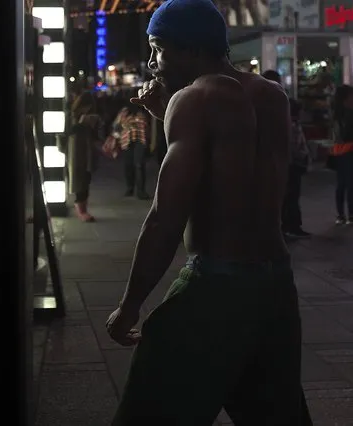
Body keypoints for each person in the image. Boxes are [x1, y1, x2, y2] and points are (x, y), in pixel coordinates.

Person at [105, 0, 312, 424]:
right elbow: (234, 173)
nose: (152, 63)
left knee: (150, 412)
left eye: (158, 48)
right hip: (274, 287)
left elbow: (166, 216)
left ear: (192, 49)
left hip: (216, 288)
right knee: (276, 413)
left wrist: (130, 305)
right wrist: (167, 117)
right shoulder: (271, 96)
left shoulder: (195, 98)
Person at [67, 91, 105, 222]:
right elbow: (68, 132)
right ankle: (81, 211)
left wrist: (96, 125)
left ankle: (83, 210)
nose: (87, 109)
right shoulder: (72, 116)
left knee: (86, 180)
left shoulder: (92, 116)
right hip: (75, 153)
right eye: (85, 105)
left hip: (88, 153)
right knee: (79, 181)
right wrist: (81, 124)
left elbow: (98, 135)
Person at [282, 99, 311, 238]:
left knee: (292, 197)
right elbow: (294, 148)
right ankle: (292, 226)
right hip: (292, 165)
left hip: (293, 164)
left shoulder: (292, 124)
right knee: (291, 197)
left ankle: (292, 226)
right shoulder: (291, 125)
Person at [112, 102, 151, 199]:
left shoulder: (143, 111)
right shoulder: (124, 112)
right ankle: (130, 188)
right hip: (127, 141)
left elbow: (147, 127)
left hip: (140, 140)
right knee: (128, 165)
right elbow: (116, 127)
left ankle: (141, 191)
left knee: (139, 165)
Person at [332, 85, 353, 225]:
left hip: (339, 150)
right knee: (350, 183)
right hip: (350, 150)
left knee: (341, 183)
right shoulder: (349, 113)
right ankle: (351, 215)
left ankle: (340, 215)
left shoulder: (336, 113)